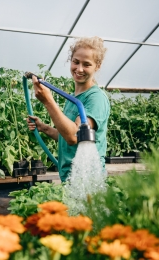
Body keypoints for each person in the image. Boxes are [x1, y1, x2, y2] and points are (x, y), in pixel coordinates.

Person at [27, 36, 110, 182]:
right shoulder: (72, 98)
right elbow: (65, 137)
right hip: (71, 177)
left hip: (88, 179)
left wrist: (48, 101)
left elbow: (74, 136)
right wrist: (44, 128)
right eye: (76, 62)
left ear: (98, 66)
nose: (79, 69)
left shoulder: (95, 98)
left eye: (87, 64)